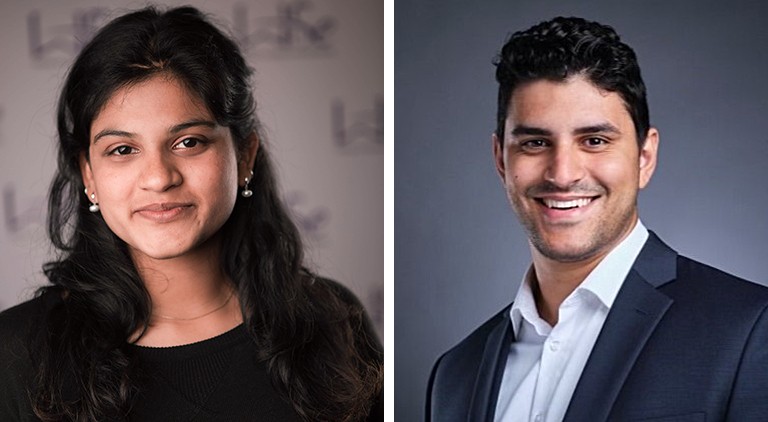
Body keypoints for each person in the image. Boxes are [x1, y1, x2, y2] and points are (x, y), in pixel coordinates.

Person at [0, 6, 382, 422]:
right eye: (123, 150)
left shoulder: (330, 318)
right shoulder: (16, 353)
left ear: (245, 154)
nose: (159, 178)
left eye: (189, 142)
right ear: (88, 175)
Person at [426, 16, 768, 422]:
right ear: (501, 158)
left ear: (645, 156)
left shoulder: (749, 331)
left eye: (594, 141)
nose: (563, 173)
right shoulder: (454, 374)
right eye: (535, 143)